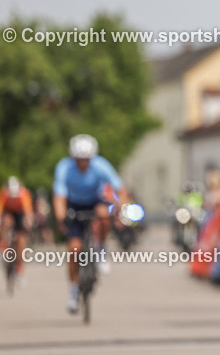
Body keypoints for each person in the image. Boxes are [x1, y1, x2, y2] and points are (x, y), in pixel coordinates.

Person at [53, 134, 128, 314]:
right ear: (73, 158)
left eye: (86, 160)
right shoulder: (64, 168)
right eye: (79, 160)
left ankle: (101, 247)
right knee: (74, 250)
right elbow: (59, 198)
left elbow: (120, 188)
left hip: (95, 201)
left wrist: (122, 208)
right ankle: (73, 293)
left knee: (103, 214)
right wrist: (61, 218)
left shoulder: (101, 165)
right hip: (74, 204)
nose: (83, 163)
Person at [0, 176, 34, 285]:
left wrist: (28, 221)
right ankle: (3, 247)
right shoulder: (4, 193)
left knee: (21, 241)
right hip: (8, 212)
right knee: (6, 222)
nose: (13, 198)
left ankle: (20, 271)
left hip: (20, 214)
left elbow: (28, 211)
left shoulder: (24, 194)